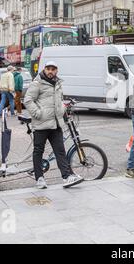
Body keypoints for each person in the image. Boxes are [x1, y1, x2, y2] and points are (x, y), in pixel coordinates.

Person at [24, 61, 84, 189]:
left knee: (60, 151)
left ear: (56, 70)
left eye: (53, 69)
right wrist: (38, 113)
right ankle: (39, 178)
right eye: (48, 69)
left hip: (56, 124)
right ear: (44, 70)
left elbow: (59, 101)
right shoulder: (38, 83)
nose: (50, 71)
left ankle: (66, 177)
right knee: (38, 151)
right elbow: (28, 100)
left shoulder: (57, 83)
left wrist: (62, 109)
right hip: (41, 124)